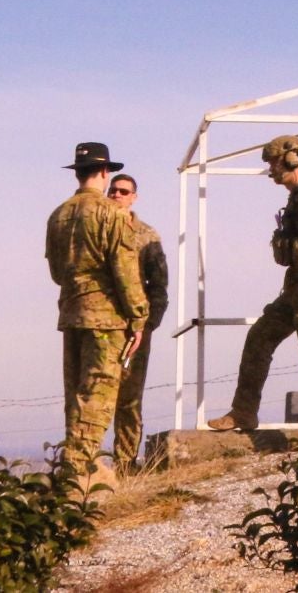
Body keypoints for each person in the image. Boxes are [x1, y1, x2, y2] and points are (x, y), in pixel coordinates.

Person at [207, 134, 298, 439]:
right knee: (260, 337)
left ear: (292, 160)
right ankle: (244, 411)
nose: (270, 169)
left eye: (273, 162)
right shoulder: (297, 198)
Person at [45, 141, 147, 486]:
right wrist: (138, 318)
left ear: (78, 172)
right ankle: (77, 472)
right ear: (105, 173)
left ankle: (78, 468)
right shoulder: (112, 215)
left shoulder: (58, 215)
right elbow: (125, 272)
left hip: (71, 314)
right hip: (106, 319)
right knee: (98, 396)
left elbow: (57, 272)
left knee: (75, 396)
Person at [105, 172, 168, 474]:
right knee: (95, 394)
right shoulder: (98, 229)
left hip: (135, 328)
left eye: (123, 191)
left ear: (134, 197)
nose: (117, 195)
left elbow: (159, 286)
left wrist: (148, 325)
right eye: (113, 190)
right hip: (101, 324)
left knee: (129, 398)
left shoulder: (147, 235)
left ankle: (125, 462)